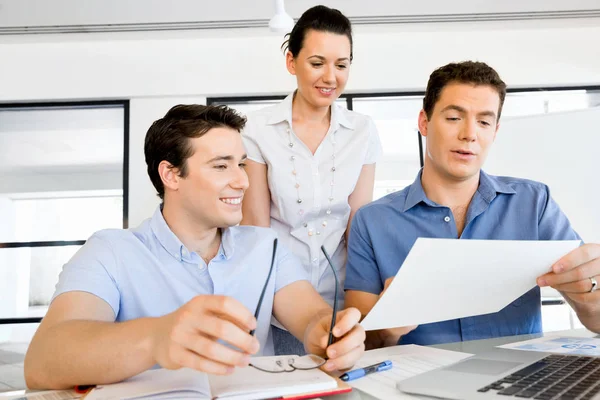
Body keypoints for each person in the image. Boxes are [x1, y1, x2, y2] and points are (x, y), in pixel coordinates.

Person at [24, 104, 365, 389]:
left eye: (241, 164)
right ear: (171, 175)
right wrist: (157, 338)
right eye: (221, 166)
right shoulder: (110, 251)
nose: (242, 180)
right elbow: (43, 361)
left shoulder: (267, 246)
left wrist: (330, 333)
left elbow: (310, 317)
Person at [344, 61, 600, 349]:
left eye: (484, 121)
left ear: (495, 131)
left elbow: (595, 319)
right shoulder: (372, 221)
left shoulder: (534, 203)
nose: (470, 133)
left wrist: (589, 293)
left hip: (518, 383)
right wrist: (388, 327)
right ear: (424, 122)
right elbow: (360, 346)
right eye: (454, 118)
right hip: (416, 385)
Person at [241, 5, 382, 356]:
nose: (330, 77)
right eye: (317, 63)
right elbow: (256, 229)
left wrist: (363, 302)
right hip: (279, 300)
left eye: (341, 65)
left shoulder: (362, 131)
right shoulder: (258, 130)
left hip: (342, 302)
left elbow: (358, 223)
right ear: (292, 62)